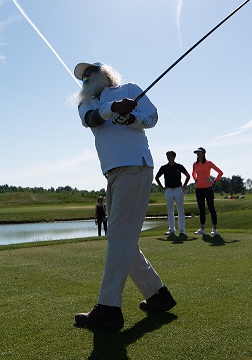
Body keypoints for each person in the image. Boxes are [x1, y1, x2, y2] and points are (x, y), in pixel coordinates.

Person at [73, 61, 176, 329]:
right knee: (122, 238)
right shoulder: (86, 103)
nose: (85, 80)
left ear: (104, 74)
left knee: (119, 236)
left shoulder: (130, 88)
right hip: (112, 173)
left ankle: (108, 308)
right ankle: (158, 295)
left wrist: (131, 118)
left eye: (90, 73)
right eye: (82, 78)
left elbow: (151, 117)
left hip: (135, 166)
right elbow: (90, 120)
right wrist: (113, 109)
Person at [155, 151, 191, 235]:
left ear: (174, 157)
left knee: (180, 210)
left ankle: (182, 229)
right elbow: (157, 177)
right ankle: (171, 229)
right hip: (169, 190)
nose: (168, 157)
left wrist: (184, 186)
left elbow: (188, 176)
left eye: (170, 156)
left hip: (178, 189)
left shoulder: (179, 166)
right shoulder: (164, 167)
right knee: (170, 210)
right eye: (167, 156)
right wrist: (162, 187)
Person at [192, 147, 223, 235]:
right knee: (201, 209)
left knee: (211, 208)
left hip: (208, 188)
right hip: (198, 189)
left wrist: (214, 181)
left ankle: (214, 229)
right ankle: (202, 229)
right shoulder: (195, 164)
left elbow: (220, 172)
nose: (198, 154)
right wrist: (196, 180)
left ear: (204, 153)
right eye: (197, 153)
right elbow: (193, 173)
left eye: (200, 153)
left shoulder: (208, 163)